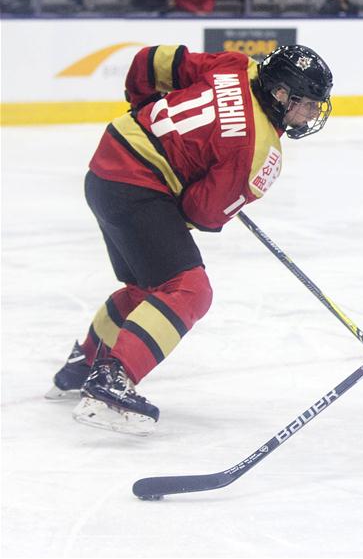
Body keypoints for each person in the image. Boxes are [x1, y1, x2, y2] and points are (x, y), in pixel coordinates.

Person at [45, 45, 334, 435]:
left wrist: (143, 113)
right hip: (136, 186)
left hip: (107, 164)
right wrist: (218, 182)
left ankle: (83, 364)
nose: (313, 114)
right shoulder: (259, 150)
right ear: (281, 94)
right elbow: (201, 213)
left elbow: (149, 62)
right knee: (188, 290)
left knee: (150, 289)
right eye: (309, 104)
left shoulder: (238, 65)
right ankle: (111, 382)